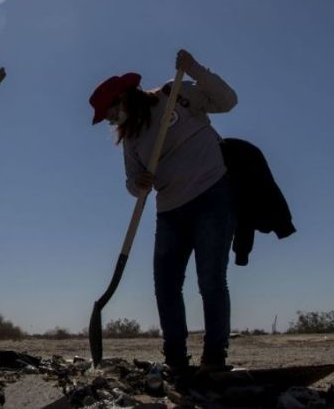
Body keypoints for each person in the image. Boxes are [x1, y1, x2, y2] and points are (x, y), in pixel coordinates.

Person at [89, 49, 238, 379]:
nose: (112, 121)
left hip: (212, 196)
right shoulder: (131, 139)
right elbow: (132, 181)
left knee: (211, 279)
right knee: (166, 286)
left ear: (124, 97)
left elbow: (228, 100)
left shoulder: (176, 93)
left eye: (111, 113)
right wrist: (138, 183)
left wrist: (195, 68)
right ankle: (175, 358)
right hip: (170, 211)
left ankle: (214, 355)